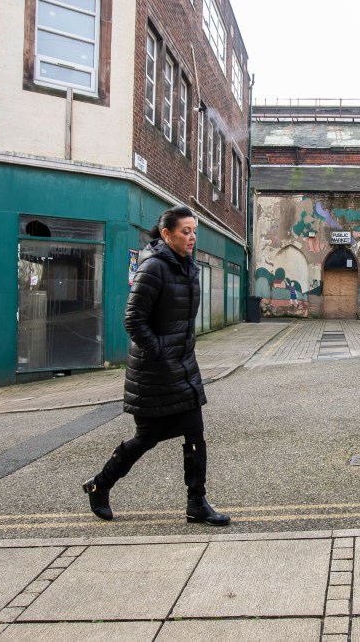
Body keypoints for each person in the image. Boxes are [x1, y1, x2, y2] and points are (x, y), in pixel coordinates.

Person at [83, 206, 230, 526]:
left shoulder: (184, 266)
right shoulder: (154, 268)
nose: (192, 237)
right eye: (185, 231)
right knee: (145, 438)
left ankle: (197, 503)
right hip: (155, 373)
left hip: (183, 367)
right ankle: (99, 485)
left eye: (194, 231)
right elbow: (133, 320)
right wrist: (162, 352)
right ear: (167, 234)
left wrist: (180, 354)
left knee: (195, 433)